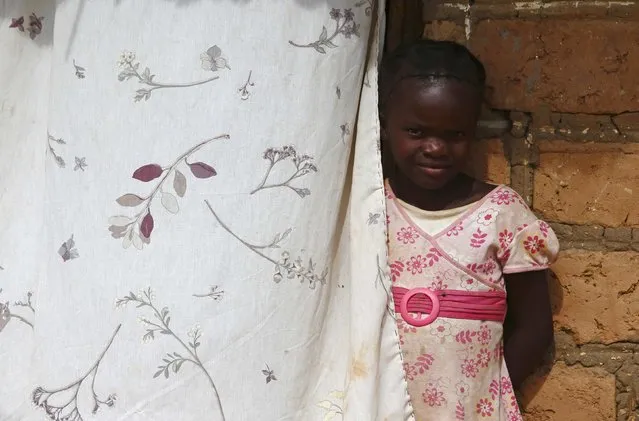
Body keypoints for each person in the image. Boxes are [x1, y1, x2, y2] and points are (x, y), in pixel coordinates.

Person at [379, 39, 559, 421]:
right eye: (415, 131)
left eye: (454, 135)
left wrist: (485, 392)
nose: (435, 147)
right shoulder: (370, 208)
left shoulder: (502, 214)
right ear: (384, 124)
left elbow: (534, 327)